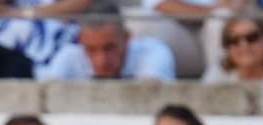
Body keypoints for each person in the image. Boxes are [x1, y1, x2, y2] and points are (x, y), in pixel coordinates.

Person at [38, 14, 178, 80]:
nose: (101, 60)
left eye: (109, 48)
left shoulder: (153, 53)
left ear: (127, 38)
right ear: (80, 42)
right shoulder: (68, 56)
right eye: (91, 50)